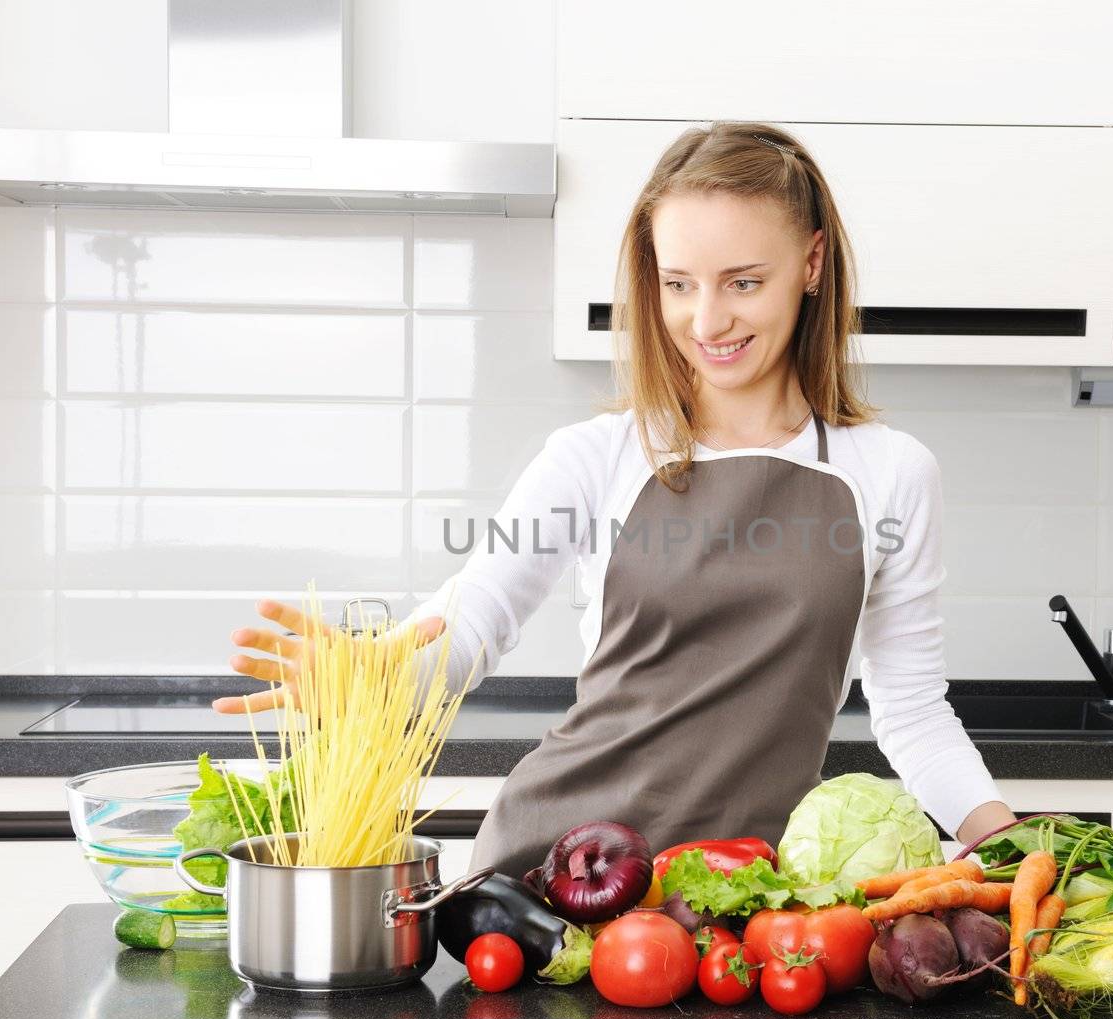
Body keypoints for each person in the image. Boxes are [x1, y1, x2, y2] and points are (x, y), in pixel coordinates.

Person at [214, 121, 1016, 877]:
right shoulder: (595, 456)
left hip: (746, 900)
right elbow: (472, 623)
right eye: (678, 284)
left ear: (811, 264)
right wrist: (365, 679)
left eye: (744, 281)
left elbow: (910, 709)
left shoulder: (892, 474)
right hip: (560, 873)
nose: (708, 320)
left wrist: (1014, 846)